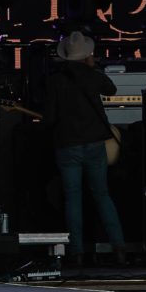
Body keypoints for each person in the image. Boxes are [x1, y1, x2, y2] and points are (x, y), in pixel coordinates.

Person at [42, 33, 126, 267]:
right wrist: (93, 67)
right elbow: (112, 88)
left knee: (73, 199)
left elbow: (50, 118)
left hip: (67, 145)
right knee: (102, 195)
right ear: (86, 54)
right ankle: (119, 248)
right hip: (94, 144)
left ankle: (76, 253)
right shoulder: (92, 76)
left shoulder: (55, 81)